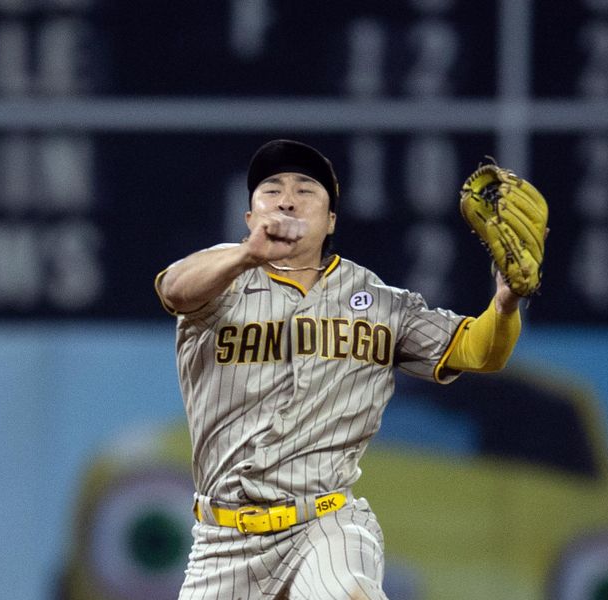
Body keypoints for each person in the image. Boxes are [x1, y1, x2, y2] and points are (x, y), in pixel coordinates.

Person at [155, 139, 523, 600]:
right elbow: (174, 290)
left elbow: (478, 350)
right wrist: (247, 254)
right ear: (250, 218)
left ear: (330, 220)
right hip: (224, 540)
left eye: (306, 189)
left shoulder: (382, 303)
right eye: (271, 190)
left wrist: (505, 303)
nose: (287, 198)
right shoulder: (220, 283)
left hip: (324, 525)